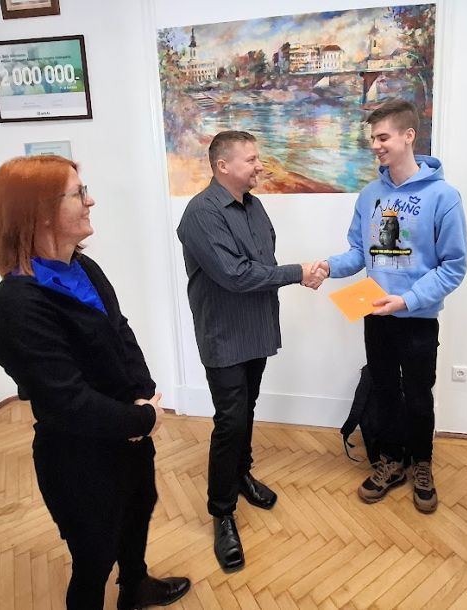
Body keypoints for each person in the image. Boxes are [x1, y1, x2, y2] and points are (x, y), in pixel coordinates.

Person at [0, 156, 190, 609]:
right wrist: (141, 418)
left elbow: (120, 330)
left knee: (137, 513)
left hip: (128, 435)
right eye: (78, 193)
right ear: (40, 212)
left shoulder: (83, 266)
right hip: (79, 459)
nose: (90, 200)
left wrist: (142, 394)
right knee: (94, 556)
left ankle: (134, 587)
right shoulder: (18, 305)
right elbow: (67, 401)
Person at [176, 130, 325, 572]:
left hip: (256, 328)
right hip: (223, 334)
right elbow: (236, 274)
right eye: (252, 159)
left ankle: (241, 474)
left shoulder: (255, 207)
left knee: (247, 409)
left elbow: (262, 262)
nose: (260, 165)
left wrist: (291, 273)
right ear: (223, 166)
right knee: (230, 420)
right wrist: (299, 273)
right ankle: (222, 512)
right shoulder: (200, 214)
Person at [312, 99, 467, 513]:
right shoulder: (370, 195)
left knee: (418, 395)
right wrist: (329, 266)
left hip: (418, 318)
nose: (376, 146)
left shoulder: (443, 196)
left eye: (383, 137)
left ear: (408, 136)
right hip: (375, 315)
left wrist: (408, 299)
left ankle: (422, 464)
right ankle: (392, 461)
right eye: (373, 139)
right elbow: (359, 252)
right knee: (383, 391)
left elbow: (454, 266)